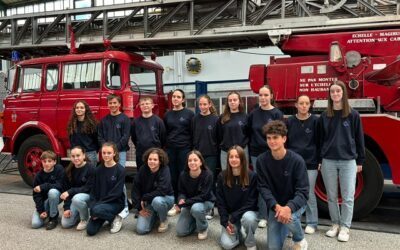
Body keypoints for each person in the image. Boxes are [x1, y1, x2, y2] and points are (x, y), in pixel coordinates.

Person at [319, 80, 365, 242]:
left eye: (338, 91)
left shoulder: (353, 115)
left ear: (343, 93)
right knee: (331, 196)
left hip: (348, 161)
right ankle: (335, 224)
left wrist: (360, 161)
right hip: (328, 161)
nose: (335, 94)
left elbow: (359, 139)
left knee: (348, 197)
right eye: (332, 92)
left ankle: (345, 227)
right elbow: (320, 140)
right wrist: (320, 160)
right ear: (329, 95)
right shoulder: (324, 116)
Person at [257, 120, 309, 250]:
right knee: (273, 247)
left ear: (284, 139)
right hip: (276, 206)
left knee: (290, 217)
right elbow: (263, 188)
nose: (271, 141)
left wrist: (288, 208)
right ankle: (285, 227)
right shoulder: (261, 160)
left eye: (275, 137)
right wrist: (276, 206)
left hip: (294, 204)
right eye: (269, 138)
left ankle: (300, 239)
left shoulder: (297, 161)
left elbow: (303, 192)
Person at [248, 85, 283, 228]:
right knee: (261, 184)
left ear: (271, 96)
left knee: (275, 183)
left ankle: (276, 213)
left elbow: (280, 135)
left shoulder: (277, 114)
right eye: (260, 95)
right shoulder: (253, 114)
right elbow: (249, 132)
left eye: (266, 95)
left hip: (272, 153)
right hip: (256, 154)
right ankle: (263, 215)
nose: (263, 98)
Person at [97, 94, 131, 233]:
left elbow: (126, 136)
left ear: (119, 104)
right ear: (108, 104)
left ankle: (124, 209)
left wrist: (114, 150)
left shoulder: (125, 119)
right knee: (106, 180)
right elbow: (100, 137)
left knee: (119, 181)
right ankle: (109, 205)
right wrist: (106, 151)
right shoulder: (104, 120)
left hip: (120, 153)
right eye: (110, 103)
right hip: (106, 155)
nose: (112, 105)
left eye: (115, 103)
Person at [287, 95, 320, 234]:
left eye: (307, 103)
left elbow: (320, 142)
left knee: (308, 193)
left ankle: (312, 222)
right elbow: (286, 142)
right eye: (301, 103)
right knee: (293, 193)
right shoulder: (290, 121)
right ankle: (295, 220)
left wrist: (319, 160)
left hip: (311, 163)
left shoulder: (315, 121)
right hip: (293, 163)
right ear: (296, 105)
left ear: (310, 105)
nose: (304, 106)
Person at [216, 145, 258, 250]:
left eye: (237, 157)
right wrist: (225, 222)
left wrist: (234, 217)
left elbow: (252, 202)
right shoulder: (222, 176)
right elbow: (220, 203)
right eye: (231, 157)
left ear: (242, 159)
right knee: (227, 245)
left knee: (249, 219)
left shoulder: (252, 176)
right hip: (230, 216)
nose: (234, 159)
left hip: (246, 213)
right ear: (228, 159)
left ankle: (250, 242)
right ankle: (238, 232)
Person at [163, 89, 194, 216]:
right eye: (174, 96)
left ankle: (184, 201)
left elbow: (193, 132)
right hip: (171, 149)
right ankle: (174, 202)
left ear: (183, 100)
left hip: (184, 149)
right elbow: (165, 132)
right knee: (172, 175)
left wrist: (192, 149)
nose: (175, 99)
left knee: (183, 175)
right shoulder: (167, 115)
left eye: (178, 97)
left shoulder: (189, 114)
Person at [131, 148, 174, 235]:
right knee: (141, 230)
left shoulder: (165, 169)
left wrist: (144, 197)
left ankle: (163, 219)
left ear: (160, 161)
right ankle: (156, 215)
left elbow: (162, 190)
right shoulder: (143, 169)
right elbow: (135, 188)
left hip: (165, 199)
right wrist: (139, 207)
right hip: (149, 202)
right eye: (150, 159)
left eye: (155, 159)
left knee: (157, 201)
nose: (152, 161)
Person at [86, 142, 125, 236]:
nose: (106, 155)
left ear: (114, 153)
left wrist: (96, 208)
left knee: (97, 210)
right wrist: (93, 206)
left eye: (109, 153)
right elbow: (93, 191)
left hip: (115, 203)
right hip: (100, 205)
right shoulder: (98, 170)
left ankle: (116, 217)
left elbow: (117, 193)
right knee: (90, 231)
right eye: (104, 153)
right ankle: (105, 216)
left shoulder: (120, 170)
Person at [175, 150, 215, 240]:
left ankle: (203, 228)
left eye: (195, 160)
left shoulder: (208, 175)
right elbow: (181, 192)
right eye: (190, 160)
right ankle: (197, 220)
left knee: (196, 208)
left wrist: (185, 203)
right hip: (189, 203)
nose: (192, 162)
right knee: (181, 232)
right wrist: (181, 199)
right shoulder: (183, 175)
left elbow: (204, 195)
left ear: (201, 162)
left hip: (206, 201)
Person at [192, 94, 219, 219]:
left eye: (204, 104)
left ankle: (210, 207)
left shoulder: (215, 119)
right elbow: (192, 136)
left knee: (210, 180)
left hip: (211, 154)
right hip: (198, 155)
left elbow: (218, 137)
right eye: (200, 104)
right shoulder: (195, 119)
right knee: (199, 180)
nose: (202, 106)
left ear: (209, 104)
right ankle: (198, 205)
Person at [61, 146, 95, 231]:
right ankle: (79, 212)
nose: (75, 158)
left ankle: (85, 219)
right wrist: (67, 208)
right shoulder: (68, 170)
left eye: (78, 155)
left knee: (77, 198)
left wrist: (71, 191)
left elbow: (88, 188)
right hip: (74, 199)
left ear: (84, 155)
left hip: (88, 197)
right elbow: (66, 191)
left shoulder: (91, 168)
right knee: (65, 224)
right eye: (73, 156)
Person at [31, 150, 65, 230]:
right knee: (35, 224)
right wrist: (41, 210)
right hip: (45, 201)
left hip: (57, 196)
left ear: (54, 162)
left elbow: (60, 185)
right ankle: (47, 211)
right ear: (41, 162)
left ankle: (53, 218)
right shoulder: (38, 176)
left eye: (49, 161)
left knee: (52, 192)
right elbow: (36, 195)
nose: (46, 163)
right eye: (44, 161)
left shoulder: (59, 170)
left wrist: (43, 186)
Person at [131, 97, 166, 170]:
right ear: (140, 106)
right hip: (140, 153)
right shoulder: (135, 122)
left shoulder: (158, 121)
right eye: (142, 104)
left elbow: (163, 138)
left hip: (155, 153)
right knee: (141, 173)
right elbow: (134, 137)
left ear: (152, 105)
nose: (145, 106)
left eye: (147, 103)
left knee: (154, 173)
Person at [218, 91, 249, 171]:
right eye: (230, 100)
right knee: (226, 176)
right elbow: (219, 135)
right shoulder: (222, 117)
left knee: (243, 176)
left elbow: (248, 134)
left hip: (242, 151)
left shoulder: (245, 116)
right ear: (227, 102)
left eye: (235, 100)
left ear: (239, 101)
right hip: (226, 152)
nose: (232, 102)